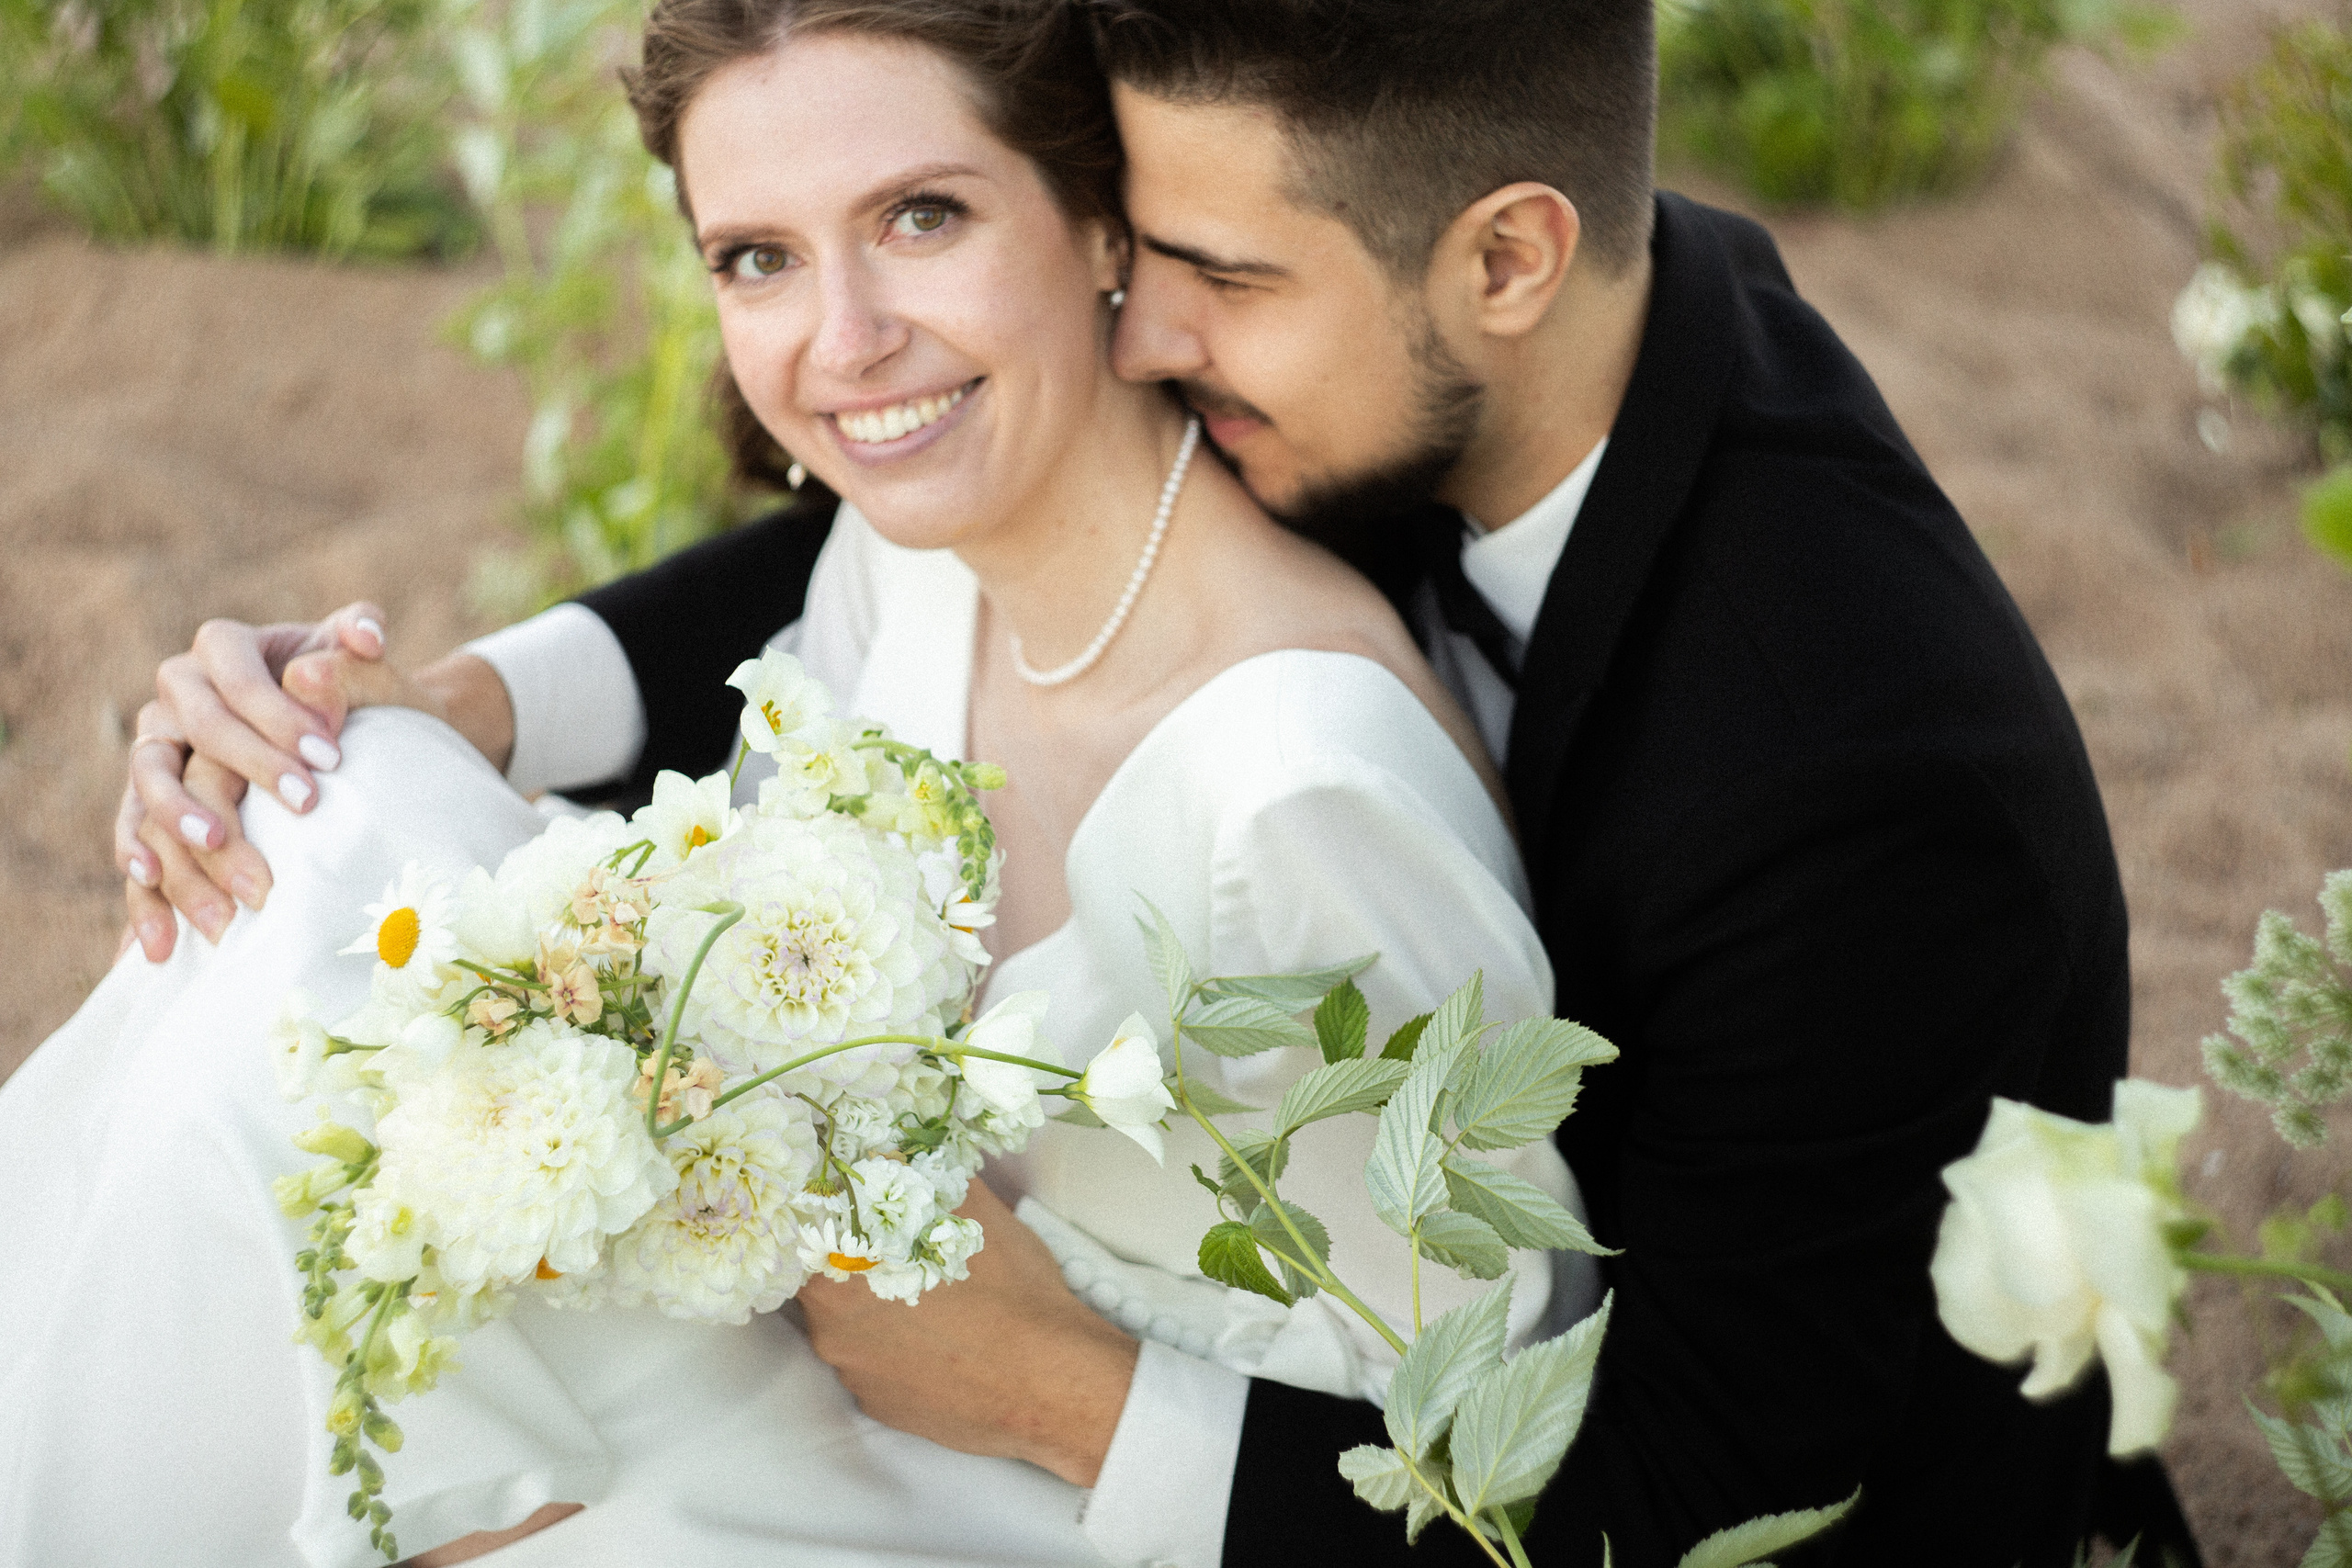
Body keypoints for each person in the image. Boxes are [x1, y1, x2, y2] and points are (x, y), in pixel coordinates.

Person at [101, 3, 2192, 1566]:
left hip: (1701, 1471)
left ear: (1507, 261)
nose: (1141, 332)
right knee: (313, 902)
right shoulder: (1488, 315)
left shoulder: (1849, 778)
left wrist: (1060, 1392)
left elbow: (1703, 1488)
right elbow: (882, 531)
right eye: (1139, 249)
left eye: (1217, 278)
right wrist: (469, 695)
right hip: (1232, 1282)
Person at [1, 3, 1590, 1565]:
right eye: (757, 257)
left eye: (922, 217)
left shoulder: (1287, 792)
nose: (842, 341)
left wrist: (1058, 1400)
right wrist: (361, 724)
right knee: (326, 799)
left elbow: (1494, 1449)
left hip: (1071, 1490)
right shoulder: (916, 573)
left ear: (1108, 225)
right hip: (815, 1344)